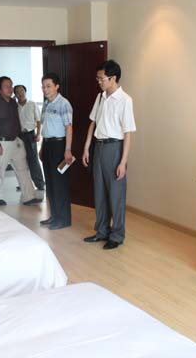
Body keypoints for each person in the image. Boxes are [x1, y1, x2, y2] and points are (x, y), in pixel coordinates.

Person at [82, 60, 136, 250]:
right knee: (100, 192)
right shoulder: (101, 97)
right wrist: (87, 147)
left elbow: (128, 133)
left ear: (113, 78)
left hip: (115, 148)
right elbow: (93, 123)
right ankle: (102, 231)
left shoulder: (125, 100)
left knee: (116, 194)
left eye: (101, 78)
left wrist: (123, 162)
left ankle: (117, 235)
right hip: (98, 147)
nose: (99, 81)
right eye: (97, 78)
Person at [0, 76, 42, 206]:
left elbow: (17, 122)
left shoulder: (13, 103)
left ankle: (29, 197)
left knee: (22, 169)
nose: (10, 89)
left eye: (11, 86)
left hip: (16, 141)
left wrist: (19, 139)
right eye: (6, 86)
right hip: (1, 143)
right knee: (0, 171)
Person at [39, 73, 73, 230]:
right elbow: (45, 127)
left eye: (48, 86)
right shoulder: (46, 104)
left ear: (57, 86)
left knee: (59, 184)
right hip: (47, 145)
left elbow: (69, 128)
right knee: (50, 183)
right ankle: (54, 216)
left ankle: (63, 219)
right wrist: (42, 147)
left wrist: (68, 150)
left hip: (59, 146)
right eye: (43, 86)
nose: (45, 89)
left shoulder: (63, 104)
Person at [14, 84, 45, 191]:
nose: (20, 93)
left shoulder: (32, 104)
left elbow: (38, 120)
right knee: (20, 160)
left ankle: (40, 184)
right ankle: (23, 184)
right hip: (19, 135)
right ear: (15, 94)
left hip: (30, 135)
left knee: (33, 160)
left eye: (22, 91)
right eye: (17, 92)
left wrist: (38, 134)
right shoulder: (14, 107)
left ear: (25, 91)